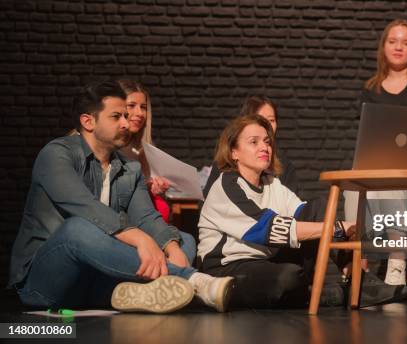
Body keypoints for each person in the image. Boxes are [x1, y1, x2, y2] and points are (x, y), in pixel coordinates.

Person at [8, 80, 234, 313]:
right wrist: (142, 240)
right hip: (46, 283)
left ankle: (139, 291)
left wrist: (171, 247)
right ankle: (193, 282)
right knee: (77, 228)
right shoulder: (56, 155)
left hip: (94, 280)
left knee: (183, 240)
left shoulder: (129, 168)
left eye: (126, 116)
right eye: (117, 117)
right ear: (88, 122)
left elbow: (147, 216)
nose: (127, 123)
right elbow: (86, 208)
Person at [197, 114, 355, 308]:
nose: (264, 147)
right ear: (233, 153)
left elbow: (304, 214)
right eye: (253, 142)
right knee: (287, 278)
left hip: (264, 261)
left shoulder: (272, 183)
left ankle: (356, 279)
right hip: (228, 267)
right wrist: (337, 228)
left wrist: (337, 230)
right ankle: (327, 295)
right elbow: (269, 229)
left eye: (267, 142)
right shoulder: (227, 185)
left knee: (319, 207)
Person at [345, 18, 407, 286]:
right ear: (383, 46)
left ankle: (397, 257)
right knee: (355, 180)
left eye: (406, 42)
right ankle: (359, 263)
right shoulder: (371, 87)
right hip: (383, 159)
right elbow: (369, 135)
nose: (399, 47)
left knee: (388, 169)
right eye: (393, 41)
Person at [203, 95, 300, 198]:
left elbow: (294, 207)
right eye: (259, 119)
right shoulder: (226, 176)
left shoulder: (281, 170)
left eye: (271, 120)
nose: (266, 126)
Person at [117, 79, 172, 223]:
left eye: (143, 107)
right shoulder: (104, 147)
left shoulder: (144, 150)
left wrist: (155, 192)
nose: (140, 113)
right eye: (131, 106)